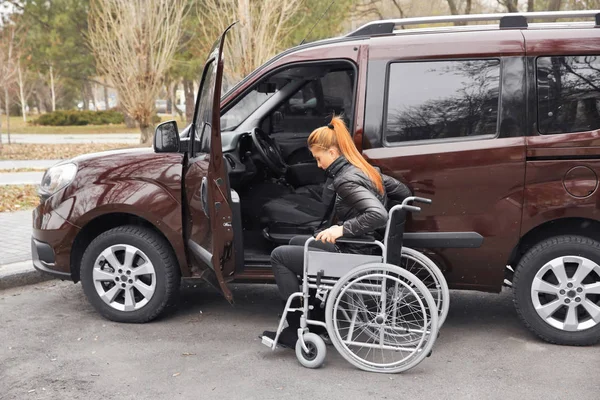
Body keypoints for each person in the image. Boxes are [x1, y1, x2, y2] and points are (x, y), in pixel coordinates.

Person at [261, 116, 411, 348]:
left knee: (280, 256)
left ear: (332, 152)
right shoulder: (367, 170)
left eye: (318, 159)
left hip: (353, 252)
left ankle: (297, 329)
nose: (319, 165)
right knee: (296, 241)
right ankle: (318, 324)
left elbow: (378, 215)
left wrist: (342, 229)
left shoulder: (346, 180)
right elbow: (403, 193)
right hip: (365, 245)